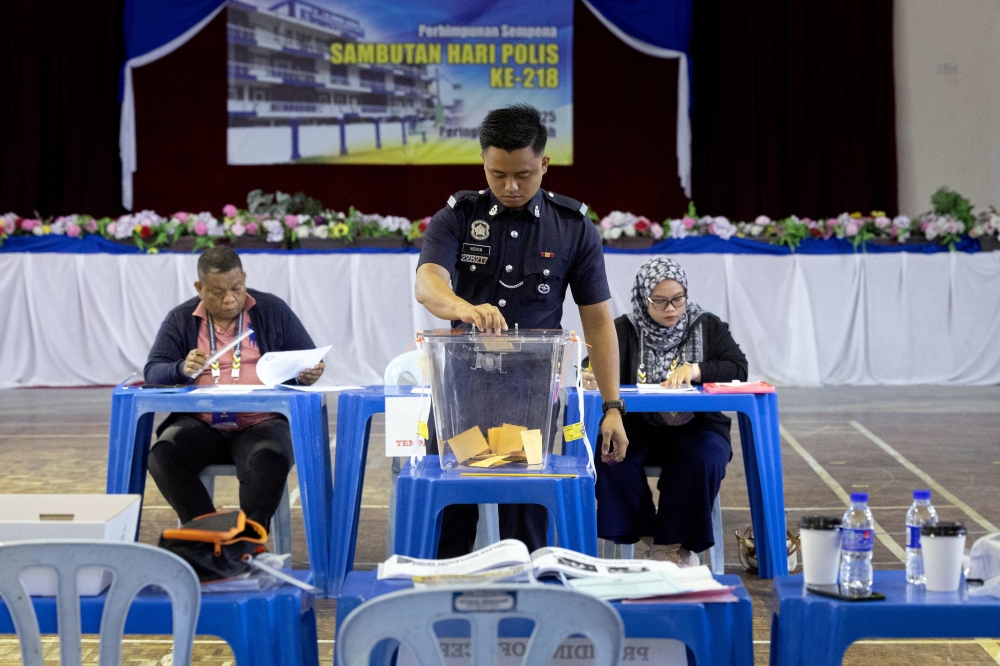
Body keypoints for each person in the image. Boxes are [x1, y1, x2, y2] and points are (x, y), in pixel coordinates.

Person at [415, 103, 629, 557]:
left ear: (544, 164)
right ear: (483, 164)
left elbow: (597, 319)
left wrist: (612, 406)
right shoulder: (458, 216)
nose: (510, 187)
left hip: (526, 396)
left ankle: (528, 600)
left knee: (524, 510)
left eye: (524, 175)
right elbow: (428, 283)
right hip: (460, 390)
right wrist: (465, 308)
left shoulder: (572, 227)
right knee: (452, 505)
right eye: (498, 175)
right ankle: (441, 599)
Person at [144, 246, 324, 529]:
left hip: (261, 424)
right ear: (199, 288)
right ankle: (208, 531)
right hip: (200, 425)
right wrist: (180, 368)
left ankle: (248, 541)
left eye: (236, 288)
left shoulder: (271, 309)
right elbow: (153, 371)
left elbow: (307, 357)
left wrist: (308, 373)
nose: (229, 299)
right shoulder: (181, 318)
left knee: (267, 459)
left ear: (244, 278)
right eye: (217, 292)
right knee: (162, 456)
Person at [583, 258, 748, 565]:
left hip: (696, 428)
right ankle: (658, 543)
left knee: (704, 457)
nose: (670, 308)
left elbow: (738, 367)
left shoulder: (707, 325)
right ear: (642, 298)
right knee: (608, 457)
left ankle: (669, 546)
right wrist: (589, 376)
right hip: (637, 428)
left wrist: (697, 369)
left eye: (677, 299)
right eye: (659, 301)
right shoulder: (622, 330)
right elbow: (591, 367)